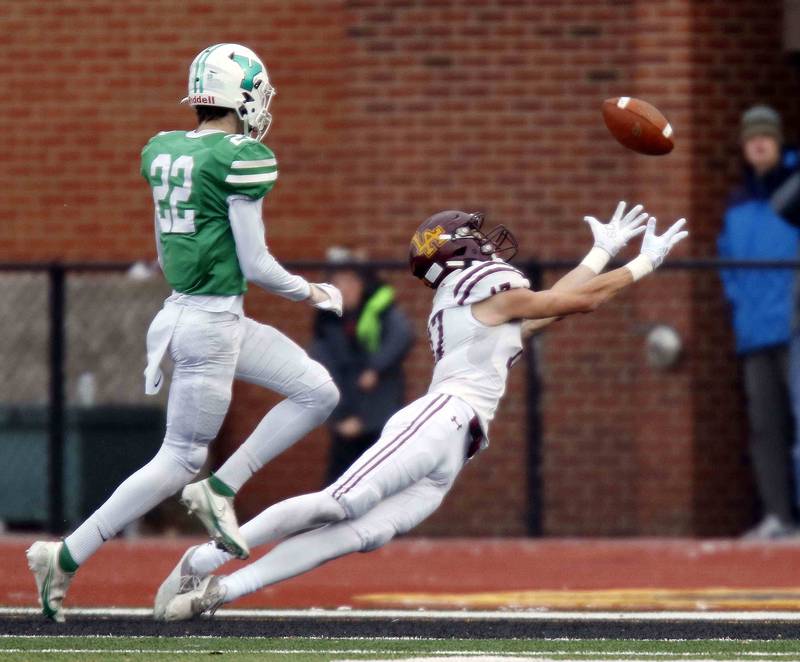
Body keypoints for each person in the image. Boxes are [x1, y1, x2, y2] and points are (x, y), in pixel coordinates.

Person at [154, 202, 688, 621]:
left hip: (455, 448)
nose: (488, 244)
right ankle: (202, 562)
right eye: (476, 238)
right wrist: (642, 263)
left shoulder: (478, 299)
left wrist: (599, 254)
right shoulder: (481, 290)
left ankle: (220, 591)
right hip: (439, 419)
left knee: (360, 535)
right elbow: (576, 302)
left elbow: (550, 308)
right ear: (458, 253)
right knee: (339, 504)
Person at [26, 43, 344, 622]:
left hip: (206, 314)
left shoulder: (165, 148)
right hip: (209, 321)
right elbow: (255, 263)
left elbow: (164, 242)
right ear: (238, 94)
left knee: (317, 391)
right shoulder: (238, 157)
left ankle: (219, 489)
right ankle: (67, 554)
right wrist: (312, 291)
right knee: (177, 460)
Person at [718, 105, 800, 538]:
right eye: (751, 137)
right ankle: (778, 517)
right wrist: (739, 307)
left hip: (793, 325)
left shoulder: (795, 190)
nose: (759, 142)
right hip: (753, 331)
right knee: (765, 428)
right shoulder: (737, 201)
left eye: (766, 135)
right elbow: (728, 265)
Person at [311, 250, 414, 484]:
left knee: (382, 483)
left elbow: (402, 336)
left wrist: (375, 369)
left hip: (379, 419)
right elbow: (325, 372)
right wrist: (343, 419)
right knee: (339, 483)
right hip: (345, 421)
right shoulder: (327, 323)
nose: (344, 288)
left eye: (350, 281)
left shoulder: (381, 313)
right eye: (338, 283)